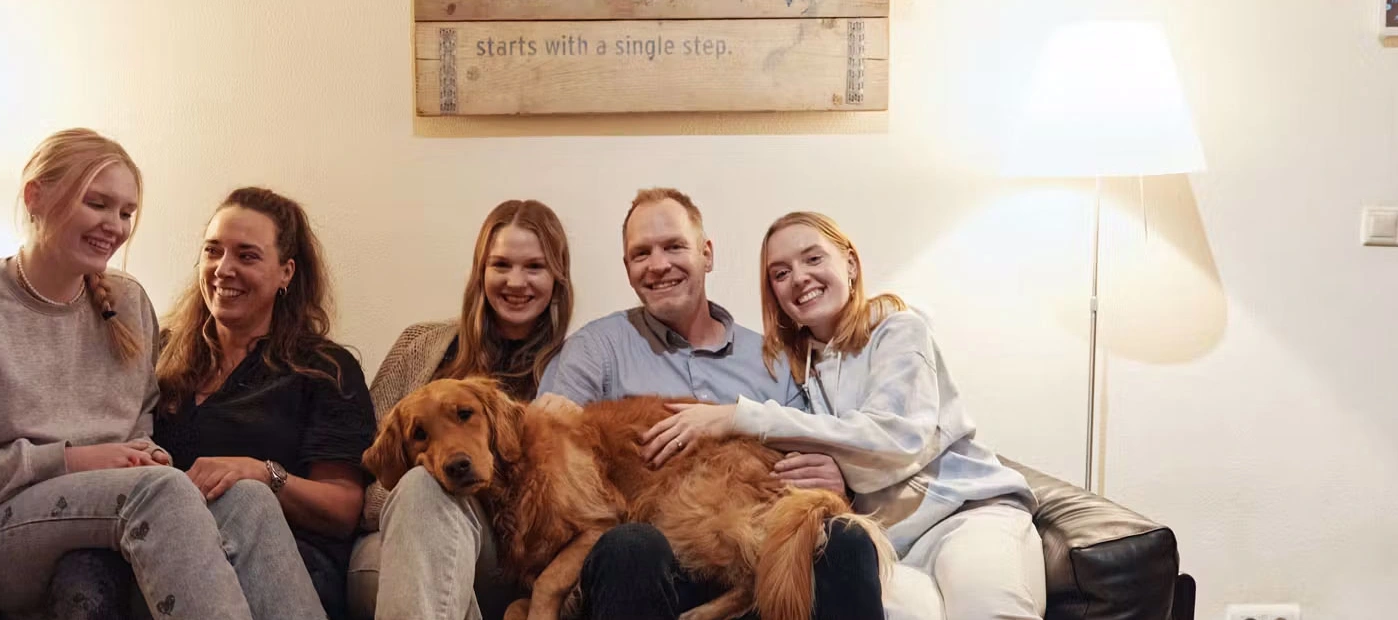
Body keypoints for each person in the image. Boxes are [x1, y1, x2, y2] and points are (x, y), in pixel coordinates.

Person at [0, 129, 324, 620]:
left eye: (126, 212)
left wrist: (145, 453)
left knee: (248, 498)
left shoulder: (129, 302)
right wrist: (70, 460)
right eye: (98, 204)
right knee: (163, 490)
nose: (114, 226)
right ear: (36, 196)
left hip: (99, 510)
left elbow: (138, 424)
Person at [641, 211, 1045, 620]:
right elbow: (828, 458)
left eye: (813, 259)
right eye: (780, 273)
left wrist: (738, 417)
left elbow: (897, 438)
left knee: (985, 609)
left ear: (850, 263)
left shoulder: (899, 329)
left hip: (969, 514)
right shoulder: (795, 374)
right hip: (893, 543)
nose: (798, 277)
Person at [538, 188, 884, 620]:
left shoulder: (774, 358)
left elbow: (816, 449)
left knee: (845, 539)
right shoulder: (597, 347)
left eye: (674, 246)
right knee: (630, 545)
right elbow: (545, 457)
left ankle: (755, 595)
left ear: (707, 254)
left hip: (756, 548)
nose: (659, 264)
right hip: (650, 568)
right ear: (627, 269)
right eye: (641, 253)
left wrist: (836, 473)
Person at [154, 187, 377, 620]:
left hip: (290, 561)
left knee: (246, 499)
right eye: (213, 251)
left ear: (286, 273)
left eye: (247, 256)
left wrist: (263, 473)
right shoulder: (161, 355)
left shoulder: (325, 369)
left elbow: (342, 509)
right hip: (173, 548)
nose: (223, 269)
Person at [369, 199, 575, 620]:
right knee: (424, 490)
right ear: (480, 272)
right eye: (500, 265)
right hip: (406, 536)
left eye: (534, 266)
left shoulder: (578, 367)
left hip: (514, 557)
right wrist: (432, 478)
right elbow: (369, 487)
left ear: (557, 277)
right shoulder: (419, 345)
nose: (516, 281)